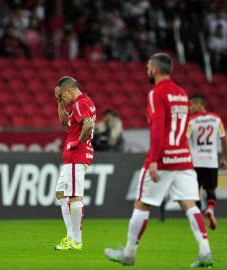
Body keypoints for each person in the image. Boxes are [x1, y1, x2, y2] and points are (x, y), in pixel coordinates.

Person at [104, 53, 214, 268]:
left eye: (147, 67)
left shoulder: (156, 93)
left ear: (154, 70)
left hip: (163, 158)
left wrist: (154, 160)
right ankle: (205, 251)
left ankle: (128, 253)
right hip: (183, 158)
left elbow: (157, 128)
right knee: (190, 204)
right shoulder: (182, 94)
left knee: (142, 204)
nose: (146, 71)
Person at [53, 76, 96, 251]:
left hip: (76, 156)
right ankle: (71, 237)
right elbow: (65, 121)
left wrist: (77, 143)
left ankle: (76, 241)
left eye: (63, 96)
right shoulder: (83, 103)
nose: (63, 99)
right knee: (61, 193)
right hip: (74, 157)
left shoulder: (80, 103)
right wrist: (58, 102)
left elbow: (88, 125)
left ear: (69, 90)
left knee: (74, 196)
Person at [187, 94, 227, 230]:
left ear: (199, 104)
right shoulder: (216, 119)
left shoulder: (191, 121)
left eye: (191, 104)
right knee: (211, 189)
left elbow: (185, 139)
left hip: (196, 162)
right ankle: (210, 209)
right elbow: (224, 138)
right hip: (211, 161)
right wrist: (224, 158)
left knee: (195, 191)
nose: (189, 108)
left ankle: (198, 217)